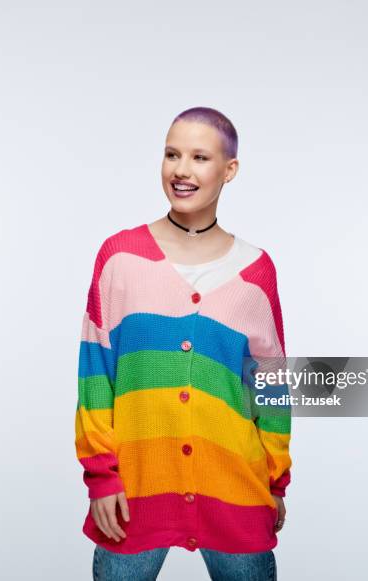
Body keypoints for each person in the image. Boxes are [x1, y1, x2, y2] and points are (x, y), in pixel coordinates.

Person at [75, 106, 292, 581]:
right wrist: (101, 476)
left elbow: (272, 386)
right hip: (134, 491)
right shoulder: (120, 257)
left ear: (228, 170)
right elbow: (96, 375)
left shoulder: (256, 272)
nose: (181, 170)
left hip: (236, 488)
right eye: (172, 154)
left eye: (199, 157)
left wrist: (276, 478)